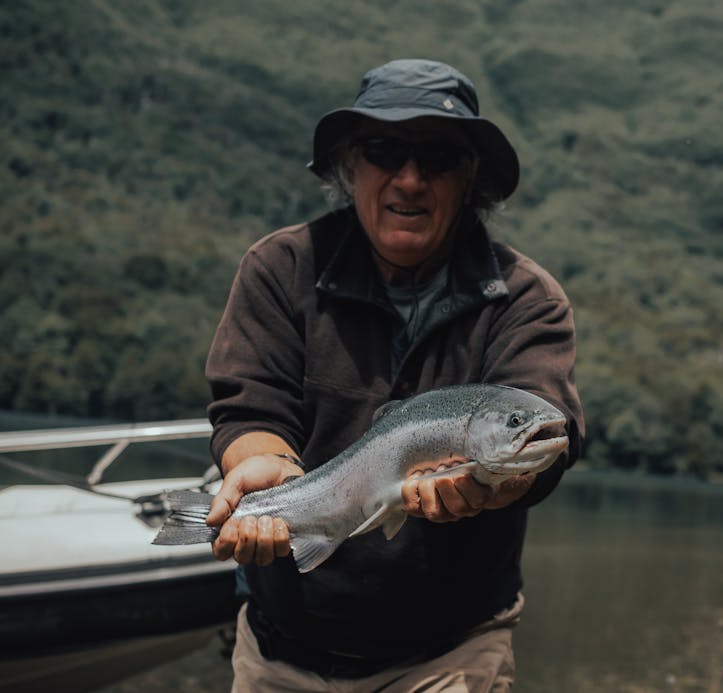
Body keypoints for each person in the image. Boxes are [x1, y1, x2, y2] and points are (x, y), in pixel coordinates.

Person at [204, 58, 584, 692]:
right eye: (384, 150)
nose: (410, 179)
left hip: (447, 656)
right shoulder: (280, 268)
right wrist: (261, 463)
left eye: (437, 158)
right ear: (350, 166)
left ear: (470, 179)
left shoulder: (526, 300)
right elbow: (250, 408)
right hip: (278, 652)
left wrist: (491, 487)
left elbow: (548, 425)